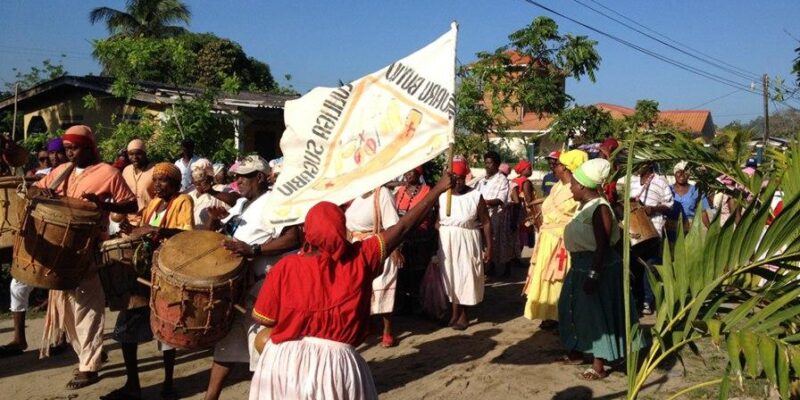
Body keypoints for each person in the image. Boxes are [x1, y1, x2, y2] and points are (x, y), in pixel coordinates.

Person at [248, 173, 454, 400]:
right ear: (341, 227)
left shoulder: (286, 266)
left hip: (283, 366)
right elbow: (404, 227)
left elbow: (265, 320)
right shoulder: (362, 258)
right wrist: (438, 190)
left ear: (307, 232)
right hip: (336, 368)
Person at [29, 125, 137, 389]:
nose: (69, 153)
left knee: (87, 307)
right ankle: (90, 354)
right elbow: (33, 190)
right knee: (66, 309)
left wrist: (104, 205)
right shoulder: (59, 172)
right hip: (58, 251)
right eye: (66, 149)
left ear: (88, 148)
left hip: (87, 249)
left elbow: (131, 204)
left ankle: (88, 366)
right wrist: (39, 192)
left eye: (74, 148)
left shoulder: (108, 173)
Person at [203, 155, 302, 400]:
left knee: (263, 350)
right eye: (236, 175)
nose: (237, 180)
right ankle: (210, 397)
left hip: (262, 288)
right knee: (227, 347)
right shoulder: (239, 206)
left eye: (243, 176)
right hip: (237, 289)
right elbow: (220, 238)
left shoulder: (276, 202)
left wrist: (254, 250)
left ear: (259, 177)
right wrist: (214, 222)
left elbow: (293, 238)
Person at [103, 162, 194, 400]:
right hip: (143, 271)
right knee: (126, 326)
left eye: (163, 180)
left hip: (166, 271)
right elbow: (141, 228)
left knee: (167, 328)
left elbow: (187, 233)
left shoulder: (183, 201)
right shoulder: (153, 204)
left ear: (175, 183)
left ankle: (168, 383)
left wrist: (160, 233)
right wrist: (129, 228)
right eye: (155, 180)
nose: (158, 185)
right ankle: (133, 384)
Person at [558, 158, 641, 380]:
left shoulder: (600, 209)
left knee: (597, 314)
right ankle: (577, 350)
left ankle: (598, 364)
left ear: (583, 186)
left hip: (596, 266)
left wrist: (594, 274)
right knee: (573, 308)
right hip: (580, 265)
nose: (571, 188)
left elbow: (603, 244)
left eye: (573, 184)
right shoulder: (585, 207)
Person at [523, 149, 587, 330]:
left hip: (562, 242)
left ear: (566, 168)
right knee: (546, 279)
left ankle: (562, 317)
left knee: (559, 280)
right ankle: (549, 314)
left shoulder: (576, 190)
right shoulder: (558, 186)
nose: (555, 167)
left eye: (558, 164)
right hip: (547, 240)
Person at [438, 159, 492, 330]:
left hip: (468, 240)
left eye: (461, 178)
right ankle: (454, 312)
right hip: (447, 241)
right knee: (451, 276)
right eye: (455, 178)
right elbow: (436, 221)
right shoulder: (442, 196)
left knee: (466, 275)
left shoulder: (475, 196)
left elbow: (486, 222)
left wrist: (489, 247)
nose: (458, 182)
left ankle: (463, 315)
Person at [345, 186, 402, 347]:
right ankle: (365, 326)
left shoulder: (382, 193)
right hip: (356, 247)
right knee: (361, 288)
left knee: (383, 284)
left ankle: (387, 331)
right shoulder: (355, 196)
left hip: (378, 244)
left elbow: (393, 225)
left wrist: (395, 249)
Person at [627, 162, 673, 315]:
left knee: (650, 267)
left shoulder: (660, 181)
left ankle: (648, 300)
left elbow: (669, 205)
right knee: (634, 267)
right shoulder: (632, 180)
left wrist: (653, 209)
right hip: (634, 232)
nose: (638, 166)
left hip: (653, 231)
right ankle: (637, 300)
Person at [394, 166, 435, 314]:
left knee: (418, 272)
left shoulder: (427, 191)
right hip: (403, 238)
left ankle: (417, 304)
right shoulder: (400, 191)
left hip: (421, 237)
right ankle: (403, 304)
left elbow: (433, 214)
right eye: (407, 171)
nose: (408, 174)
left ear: (419, 173)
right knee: (403, 271)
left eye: (412, 171)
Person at [476, 151, 512, 277]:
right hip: (482, 216)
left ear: (496, 164)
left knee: (498, 244)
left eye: (490, 163)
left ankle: (505, 269)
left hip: (497, 216)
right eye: (485, 163)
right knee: (485, 244)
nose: (487, 166)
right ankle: (488, 268)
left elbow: (501, 199)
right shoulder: (481, 180)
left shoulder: (502, 180)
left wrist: (483, 203)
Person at [667, 161, 709, 242]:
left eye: (685, 172)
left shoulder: (697, 190)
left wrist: (711, 229)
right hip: (670, 228)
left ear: (689, 175)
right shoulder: (667, 189)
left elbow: (703, 212)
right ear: (674, 174)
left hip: (689, 228)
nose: (682, 175)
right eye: (679, 172)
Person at [188, 158, 233, 229]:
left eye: (201, 174)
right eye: (194, 173)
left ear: (210, 177)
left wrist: (212, 192)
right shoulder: (190, 192)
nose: (198, 178)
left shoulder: (220, 189)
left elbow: (235, 200)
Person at [119, 139, 154, 228]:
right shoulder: (126, 170)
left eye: (138, 153)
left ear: (145, 154)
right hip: (129, 222)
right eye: (131, 154)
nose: (134, 157)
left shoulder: (155, 170)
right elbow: (123, 196)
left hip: (150, 220)